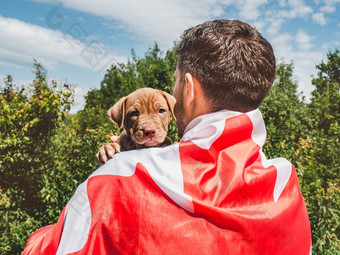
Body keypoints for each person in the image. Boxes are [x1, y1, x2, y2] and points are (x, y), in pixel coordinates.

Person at [23, 19, 311, 254]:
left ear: (188, 87)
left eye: (174, 81)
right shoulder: (287, 187)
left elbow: (46, 249)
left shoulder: (118, 177)